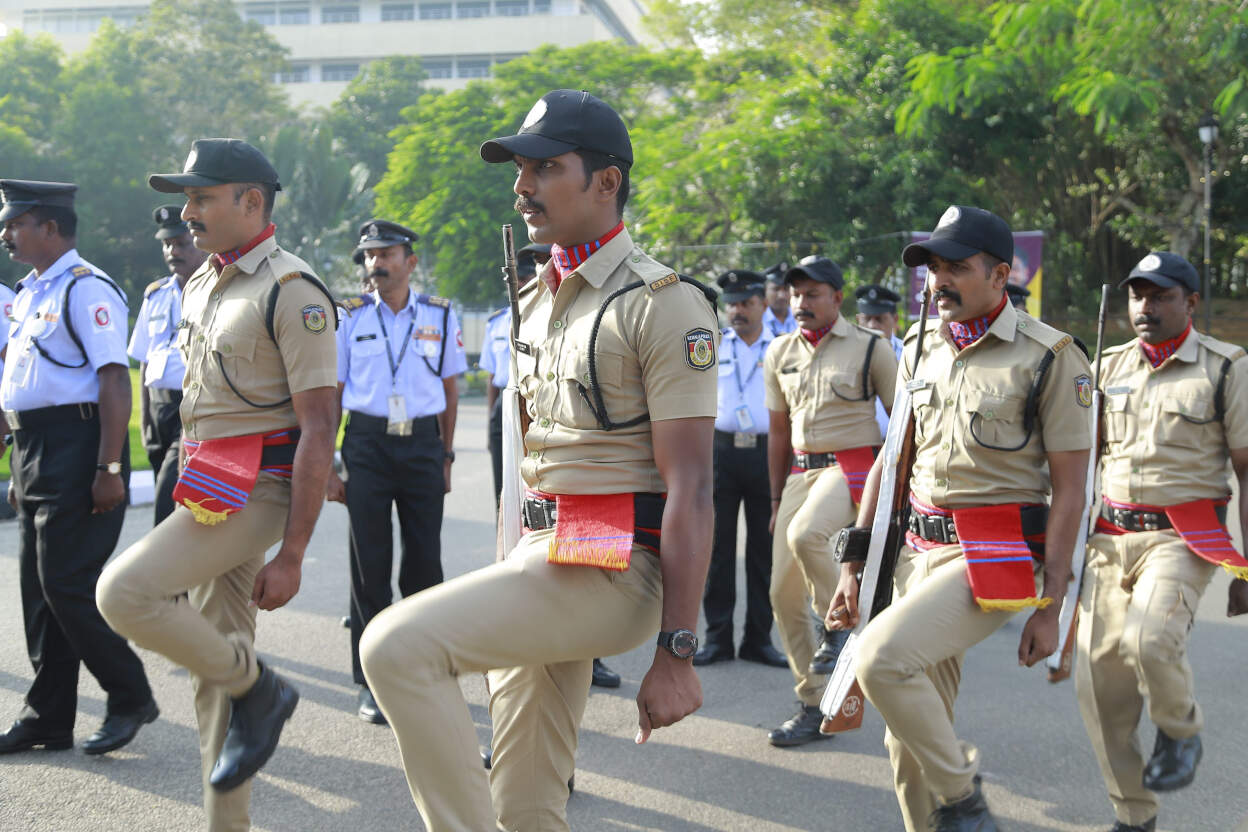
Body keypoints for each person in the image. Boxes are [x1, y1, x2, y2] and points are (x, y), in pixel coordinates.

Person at [360, 89, 718, 831]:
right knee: (524, 804)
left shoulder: (663, 303)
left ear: (606, 181)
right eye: (520, 170)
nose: (522, 187)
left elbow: (691, 486)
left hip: (617, 566)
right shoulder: (539, 296)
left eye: (546, 168)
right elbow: (529, 454)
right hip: (546, 554)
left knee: (395, 647)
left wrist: (677, 651)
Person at [96, 139, 339, 831]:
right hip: (209, 483)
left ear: (251, 201)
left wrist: (292, 554)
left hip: (261, 487)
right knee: (215, 675)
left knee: (123, 592)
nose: (188, 212)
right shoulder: (202, 281)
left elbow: (320, 427)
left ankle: (264, 690)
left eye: (201, 197)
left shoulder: (293, 290)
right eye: (187, 198)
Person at [827, 205, 1093, 831]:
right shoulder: (919, 347)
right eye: (933, 268)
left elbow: (1072, 494)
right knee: (906, 744)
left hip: (990, 555)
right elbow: (892, 462)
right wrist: (854, 562)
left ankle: (964, 798)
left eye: (956, 267)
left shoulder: (1051, 357)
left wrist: (1053, 606)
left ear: (1000, 275)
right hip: (914, 553)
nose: (939, 281)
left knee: (881, 660)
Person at [1075, 252, 1248, 832]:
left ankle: (1179, 727)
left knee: (1150, 640)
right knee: (1100, 688)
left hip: (1182, 536)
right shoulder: (1105, 365)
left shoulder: (1226, 367)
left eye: (1160, 296)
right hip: (1108, 539)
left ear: (1190, 302)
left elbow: (1247, 471)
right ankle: (1134, 815)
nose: (1145, 307)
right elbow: (1079, 460)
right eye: (1137, 296)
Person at [0, 179, 158, 758]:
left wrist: (110, 466)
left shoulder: (87, 288)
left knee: (66, 585)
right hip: (33, 449)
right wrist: (14, 465)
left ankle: (130, 694)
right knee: (39, 591)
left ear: (49, 226)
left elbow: (114, 380)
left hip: (76, 446)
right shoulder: (29, 293)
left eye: (14, 223)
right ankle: (47, 717)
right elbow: (20, 385)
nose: (5, 233)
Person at [324, 218, 467, 724]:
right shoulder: (349, 316)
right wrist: (329, 464)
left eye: (386, 254)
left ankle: (425, 668)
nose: (376, 263)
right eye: (369, 255)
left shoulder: (440, 315)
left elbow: (450, 390)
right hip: (366, 445)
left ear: (410, 261)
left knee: (425, 563)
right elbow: (334, 394)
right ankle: (372, 680)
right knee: (370, 565)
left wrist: (446, 456)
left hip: (423, 445)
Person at [762, 256, 897, 747]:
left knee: (806, 535)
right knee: (781, 595)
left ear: (838, 298)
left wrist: (897, 498)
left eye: (812, 293)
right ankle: (815, 702)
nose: (801, 302)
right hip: (801, 472)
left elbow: (901, 425)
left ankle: (838, 623)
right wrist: (775, 498)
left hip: (853, 465)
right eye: (796, 293)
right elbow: (779, 432)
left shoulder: (871, 347)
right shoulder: (779, 351)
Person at [693, 269, 787, 669]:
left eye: (746, 303)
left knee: (764, 551)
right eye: (731, 304)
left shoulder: (783, 346)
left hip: (768, 453)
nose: (737, 311)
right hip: (722, 453)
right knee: (717, 550)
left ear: (763, 304)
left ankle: (758, 639)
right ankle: (717, 638)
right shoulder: (711, 345)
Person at [129, 204, 207, 525]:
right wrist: (146, 419)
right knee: (175, 495)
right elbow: (145, 362)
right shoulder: (156, 295)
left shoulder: (215, 290)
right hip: (158, 408)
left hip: (193, 406)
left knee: (167, 496)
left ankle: (162, 554)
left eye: (181, 243)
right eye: (167, 244)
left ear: (198, 243)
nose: (173, 251)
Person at [482, 241, 548, 506]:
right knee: (504, 489)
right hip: (505, 402)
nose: (520, 284)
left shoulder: (549, 315)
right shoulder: (498, 322)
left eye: (526, 278)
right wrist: (492, 420)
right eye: (516, 279)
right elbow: (491, 377)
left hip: (539, 401)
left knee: (538, 486)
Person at [855, 283, 905, 442]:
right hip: (858, 448)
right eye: (867, 318)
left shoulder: (910, 354)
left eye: (879, 319)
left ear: (895, 320)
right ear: (858, 319)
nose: (872, 325)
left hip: (897, 446)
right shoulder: (846, 355)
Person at [762, 262, 797, 337]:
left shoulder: (800, 317)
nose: (781, 296)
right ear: (765, 291)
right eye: (776, 289)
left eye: (786, 289)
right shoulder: (756, 320)